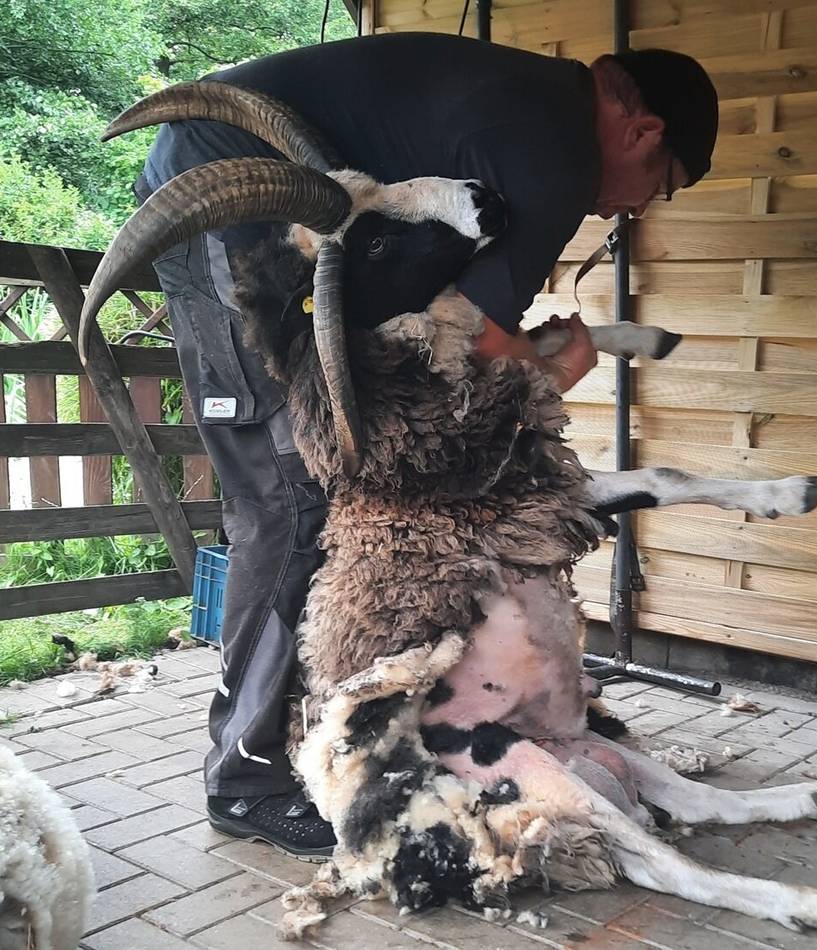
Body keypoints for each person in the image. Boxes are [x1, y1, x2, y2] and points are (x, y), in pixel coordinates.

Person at [135, 31, 718, 858]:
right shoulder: (556, 151)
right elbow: (480, 347)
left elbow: (454, 327)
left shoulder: (535, 112)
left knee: (319, 487)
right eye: (659, 187)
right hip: (227, 188)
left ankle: (311, 732)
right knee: (290, 493)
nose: (635, 209)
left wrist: (520, 357)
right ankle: (244, 777)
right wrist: (556, 371)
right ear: (643, 132)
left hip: (263, 191)